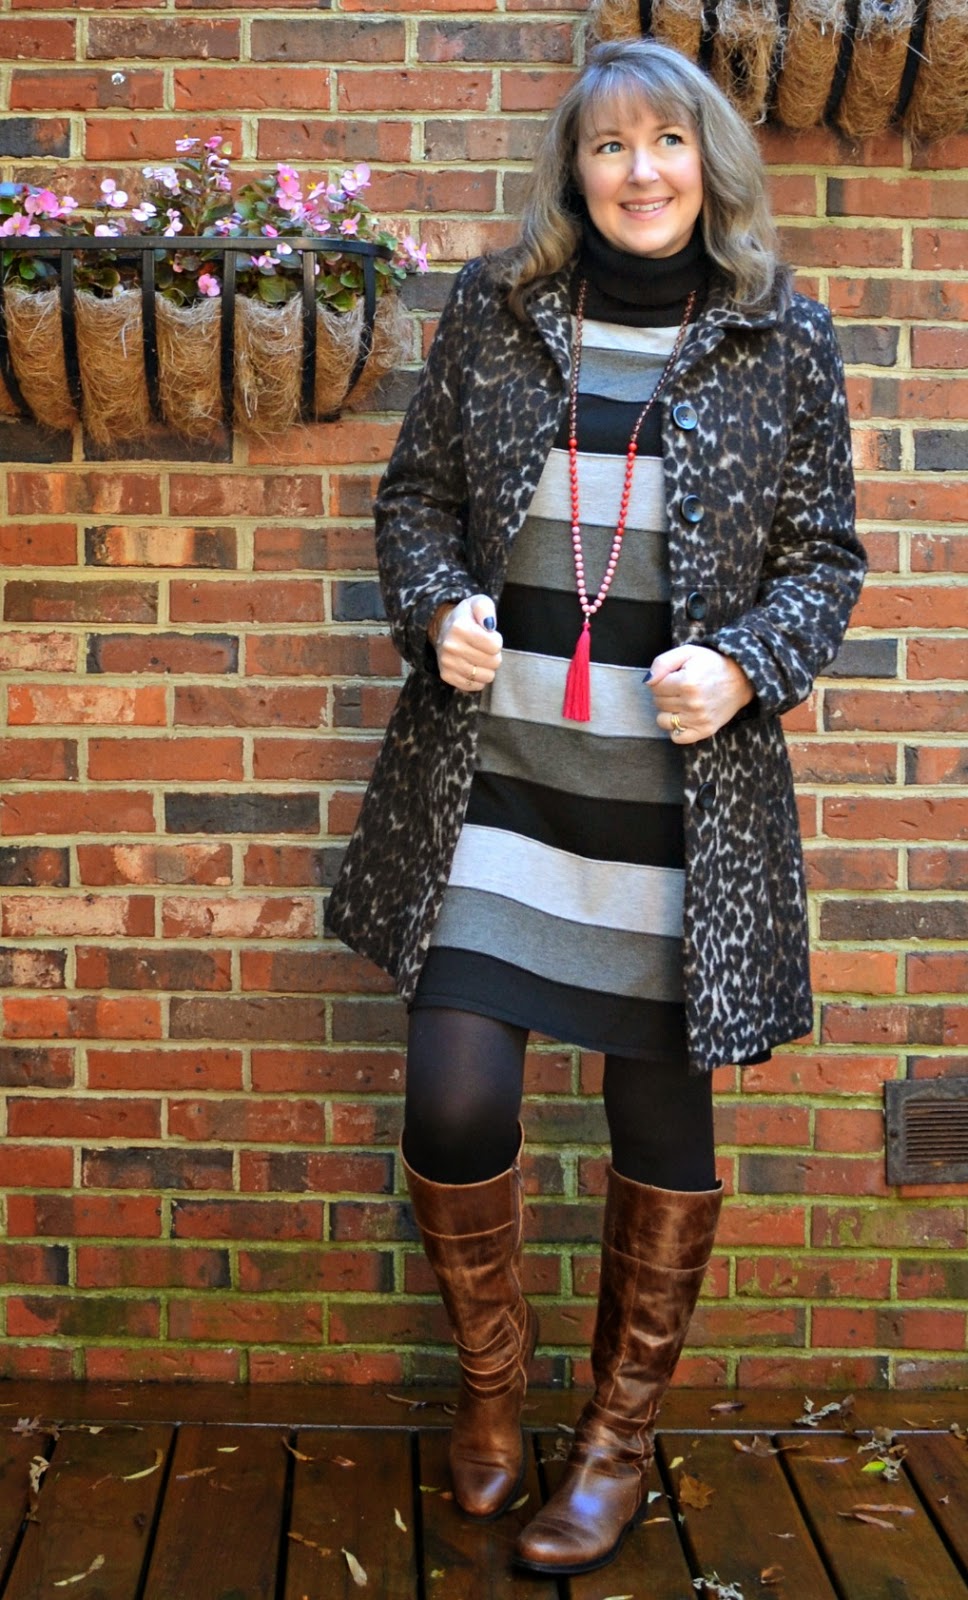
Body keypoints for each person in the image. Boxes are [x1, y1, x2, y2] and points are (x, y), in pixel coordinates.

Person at [326, 37, 865, 1577]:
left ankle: (616, 1444)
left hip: (676, 816)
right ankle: (492, 1400)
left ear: (710, 164)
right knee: (453, 1099)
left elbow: (824, 558)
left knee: (659, 1117)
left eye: (668, 143)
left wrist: (748, 665)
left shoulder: (781, 333)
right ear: (574, 170)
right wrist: (436, 609)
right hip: (493, 787)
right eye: (611, 145)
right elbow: (417, 499)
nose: (642, 172)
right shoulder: (499, 314)